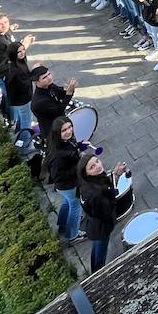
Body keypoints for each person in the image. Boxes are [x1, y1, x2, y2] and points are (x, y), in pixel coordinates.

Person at [78, 153, 128, 273]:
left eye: (97, 161)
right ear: (86, 173)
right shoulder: (96, 195)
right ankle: (98, 274)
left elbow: (104, 187)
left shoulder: (89, 182)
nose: (98, 166)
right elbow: (106, 211)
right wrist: (113, 195)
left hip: (94, 225)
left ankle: (95, 269)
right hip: (101, 228)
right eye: (92, 167)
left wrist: (115, 174)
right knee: (101, 251)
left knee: (97, 248)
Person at [45, 115, 85, 243]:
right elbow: (59, 176)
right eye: (64, 130)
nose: (69, 131)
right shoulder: (58, 156)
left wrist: (80, 147)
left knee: (68, 202)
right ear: (57, 133)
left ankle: (63, 223)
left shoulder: (59, 142)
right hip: (67, 185)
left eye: (70, 127)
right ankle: (73, 235)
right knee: (75, 207)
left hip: (64, 187)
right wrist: (79, 164)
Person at [30, 65, 78, 129]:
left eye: (49, 74)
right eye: (44, 77)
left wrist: (69, 88)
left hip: (60, 122)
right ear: (36, 82)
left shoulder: (49, 86)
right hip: (52, 130)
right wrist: (69, 93)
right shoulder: (39, 102)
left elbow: (61, 93)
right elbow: (59, 111)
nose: (49, 78)